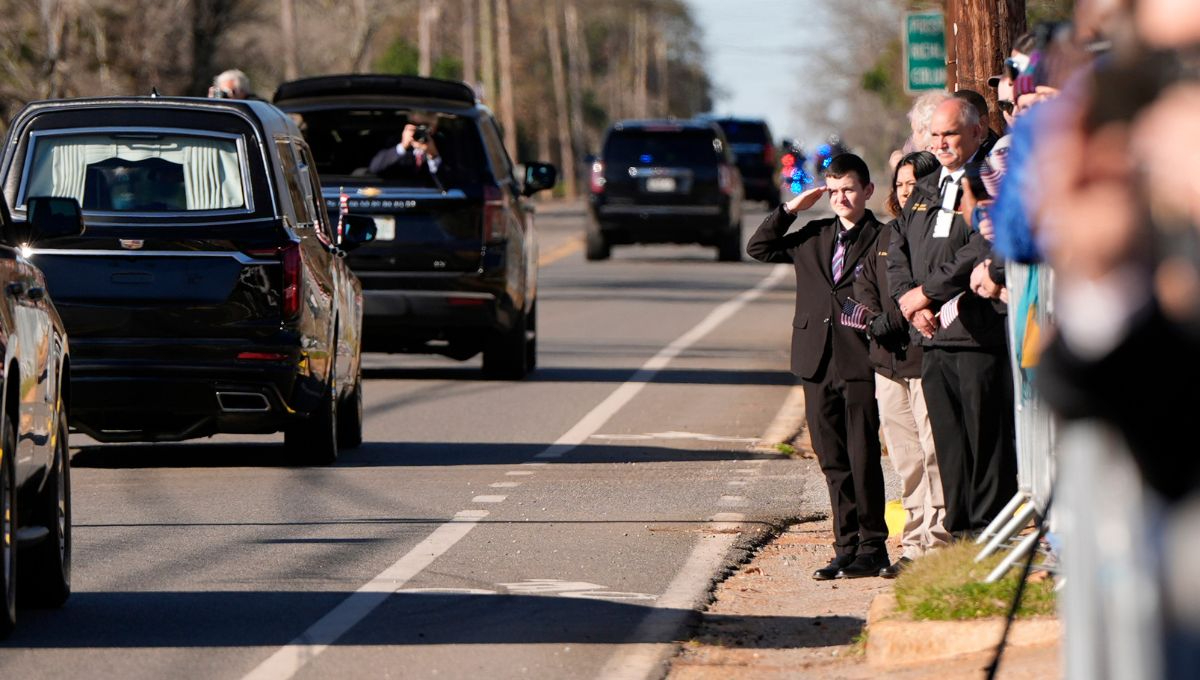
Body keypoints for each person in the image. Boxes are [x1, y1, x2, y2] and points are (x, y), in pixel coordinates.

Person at [747, 153, 890, 580]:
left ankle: (873, 545)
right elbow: (759, 248)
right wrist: (792, 208)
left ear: (867, 190)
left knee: (863, 454)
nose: (842, 197)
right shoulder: (813, 234)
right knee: (831, 458)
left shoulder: (883, 239)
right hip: (815, 359)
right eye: (834, 190)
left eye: (850, 189)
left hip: (859, 358)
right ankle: (844, 546)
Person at [887, 97, 1017, 538]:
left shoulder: (988, 183)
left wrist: (928, 292)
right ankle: (958, 535)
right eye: (935, 135)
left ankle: (989, 534)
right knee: (949, 446)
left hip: (977, 335)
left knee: (987, 443)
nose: (941, 143)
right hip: (932, 339)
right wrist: (910, 299)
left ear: (977, 133)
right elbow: (897, 249)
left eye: (951, 134)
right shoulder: (924, 188)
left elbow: (980, 249)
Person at [854, 150, 949, 577]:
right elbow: (870, 288)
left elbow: (930, 287)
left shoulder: (940, 232)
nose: (907, 190)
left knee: (934, 455)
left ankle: (939, 541)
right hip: (888, 362)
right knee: (907, 460)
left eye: (915, 183)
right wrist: (879, 321)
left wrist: (900, 315)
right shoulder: (887, 235)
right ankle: (912, 542)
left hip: (926, 356)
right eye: (901, 184)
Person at [368, 115, 444, 180]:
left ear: (434, 126)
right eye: (416, 125)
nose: (420, 130)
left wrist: (434, 155)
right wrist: (403, 146)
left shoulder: (443, 142)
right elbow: (375, 168)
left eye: (425, 126)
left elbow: (449, 182)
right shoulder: (393, 141)